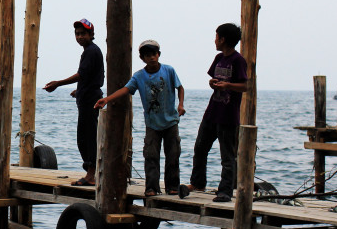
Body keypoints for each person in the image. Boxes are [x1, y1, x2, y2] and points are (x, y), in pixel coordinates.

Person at [95, 39, 185, 197]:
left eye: (154, 54)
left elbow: (180, 87)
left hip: (171, 122)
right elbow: (125, 89)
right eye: (147, 55)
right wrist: (107, 99)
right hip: (152, 124)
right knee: (151, 156)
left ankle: (172, 186)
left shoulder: (168, 70)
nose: (152, 58)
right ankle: (151, 187)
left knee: (173, 156)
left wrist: (181, 105)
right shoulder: (139, 76)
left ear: (159, 55)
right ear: (142, 58)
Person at [189, 23, 249, 203]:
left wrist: (228, 85)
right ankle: (198, 183)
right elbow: (213, 79)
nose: (214, 40)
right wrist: (213, 83)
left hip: (228, 116)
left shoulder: (238, 60)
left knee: (227, 156)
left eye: (216, 37)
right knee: (200, 147)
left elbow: (246, 86)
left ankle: (225, 191)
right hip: (212, 111)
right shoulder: (218, 58)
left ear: (223, 39)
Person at [43, 19, 104, 185]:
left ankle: (91, 175)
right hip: (88, 95)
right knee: (85, 137)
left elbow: (81, 75)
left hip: (90, 99)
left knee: (87, 138)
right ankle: (92, 172)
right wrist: (80, 89)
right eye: (77, 34)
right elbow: (96, 76)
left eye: (83, 34)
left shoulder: (91, 51)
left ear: (91, 35)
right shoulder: (90, 51)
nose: (79, 37)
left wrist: (58, 83)